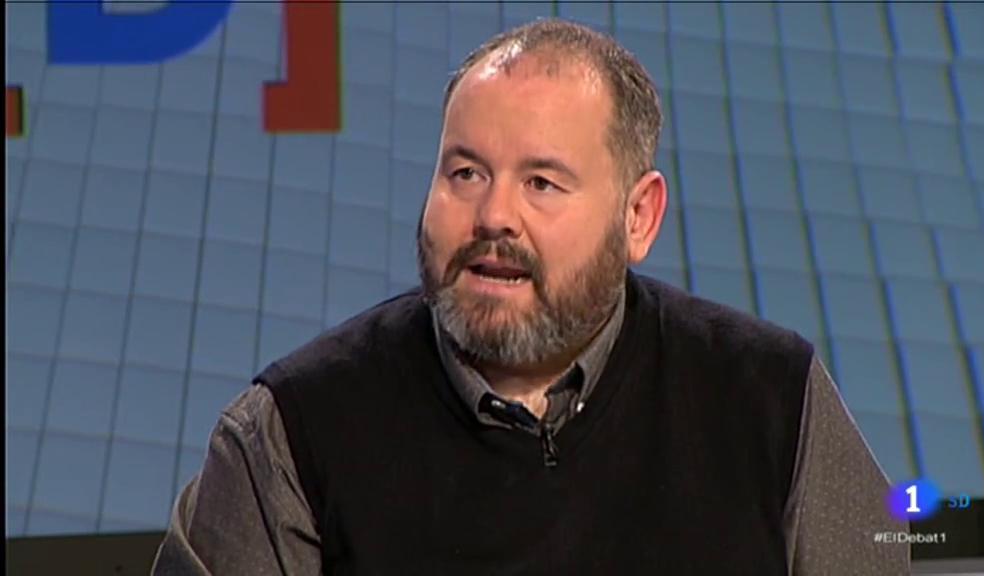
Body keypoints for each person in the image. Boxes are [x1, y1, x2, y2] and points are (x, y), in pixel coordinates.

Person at [152, 19, 908, 575]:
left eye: (541, 183)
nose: (493, 217)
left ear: (638, 217)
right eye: (465, 174)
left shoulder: (771, 397)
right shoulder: (291, 430)